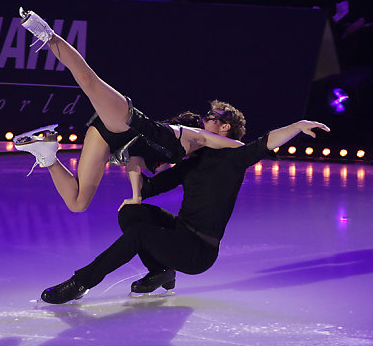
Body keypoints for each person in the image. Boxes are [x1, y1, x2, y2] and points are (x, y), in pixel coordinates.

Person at [39, 116, 330, 304]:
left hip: (198, 251)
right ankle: (161, 271)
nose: (204, 121)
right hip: (181, 234)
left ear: (225, 128)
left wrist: (297, 125)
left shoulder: (233, 159)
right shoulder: (193, 162)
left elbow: (266, 141)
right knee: (131, 214)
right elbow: (152, 187)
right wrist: (135, 158)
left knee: (140, 233)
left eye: (211, 119)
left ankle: (81, 282)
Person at [13, 9, 244, 214]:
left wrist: (136, 196)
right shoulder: (194, 134)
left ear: (226, 128)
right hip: (127, 122)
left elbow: (135, 161)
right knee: (88, 80)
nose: (208, 117)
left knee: (77, 203)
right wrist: (259, 149)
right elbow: (227, 144)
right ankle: (46, 33)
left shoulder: (179, 157)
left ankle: (48, 154)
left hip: (110, 140)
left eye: (216, 117)